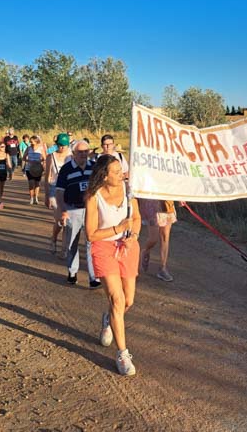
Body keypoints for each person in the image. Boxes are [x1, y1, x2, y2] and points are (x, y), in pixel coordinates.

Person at [85, 154, 141, 376]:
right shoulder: (93, 196)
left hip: (128, 247)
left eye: (121, 170)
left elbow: (136, 219)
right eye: (116, 172)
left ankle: (109, 319)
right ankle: (122, 354)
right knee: (117, 300)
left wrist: (133, 235)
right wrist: (119, 228)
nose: (121, 175)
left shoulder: (129, 191)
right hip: (103, 248)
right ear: (104, 176)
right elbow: (91, 234)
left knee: (128, 301)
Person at [55, 140, 100, 289]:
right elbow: (59, 192)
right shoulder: (66, 169)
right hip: (72, 210)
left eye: (86, 151)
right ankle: (72, 272)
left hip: (91, 211)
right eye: (80, 152)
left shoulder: (94, 167)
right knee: (72, 243)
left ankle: (94, 277)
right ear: (73, 153)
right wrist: (63, 210)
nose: (83, 155)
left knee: (91, 243)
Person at [44, 133, 73, 257]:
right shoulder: (51, 156)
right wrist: (46, 195)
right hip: (54, 189)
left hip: (68, 189)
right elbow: (47, 177)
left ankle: (64, 249)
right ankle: (54, 238)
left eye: (64, 145)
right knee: (60, 219)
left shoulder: (71, 156)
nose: (62, 148)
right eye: (60, 145)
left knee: (67, 220)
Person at [138, 199, 176, 281]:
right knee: (153, 239)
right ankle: (145, 250)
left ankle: (163, 268)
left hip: (167, 202)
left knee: (165, 236)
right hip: (152, 202)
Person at [22, 135, 45, 205]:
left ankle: (36, 198)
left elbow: (45, 158)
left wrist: (39, 161)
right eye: (30, 141)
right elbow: (23, 158)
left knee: (37, 184)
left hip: (38, 168)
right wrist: (29, 161)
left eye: (32, 141)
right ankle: (31, 198)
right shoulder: (28, 148)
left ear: (36, 141)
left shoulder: (41, 148)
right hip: (29, 168)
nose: (30, 143)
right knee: (31, 183)